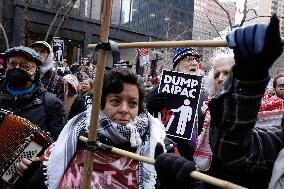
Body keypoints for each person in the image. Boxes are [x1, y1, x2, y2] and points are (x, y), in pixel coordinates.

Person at [154, 14, 284, 189]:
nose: (221, 79)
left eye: (228, 73)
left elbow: (237, 150)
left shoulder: (271, 113)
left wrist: (248, 77)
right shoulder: (202, 106)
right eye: (217, 74)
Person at [25, 69, 176, 188]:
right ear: (101, 104)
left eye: (132, 103)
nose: (124, 109)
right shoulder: (72, 141)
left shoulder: (158, 148)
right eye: (115, 101)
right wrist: (30, 172)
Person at [0, 46, 66, 188]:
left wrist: (37, 162)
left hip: (29, 181)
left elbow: (61, 148)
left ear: (36, 71)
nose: (17, 69)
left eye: (25, 66)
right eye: (12, 64)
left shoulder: (51, 103)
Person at [145, 47, 208, 160]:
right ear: (177, 65)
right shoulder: (159, 89)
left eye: (196, 59)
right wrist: (148, 105)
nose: (194, 63)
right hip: (159, 152)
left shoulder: (205, 95)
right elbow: (140, 117)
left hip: (189, 158)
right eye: (189, 59)